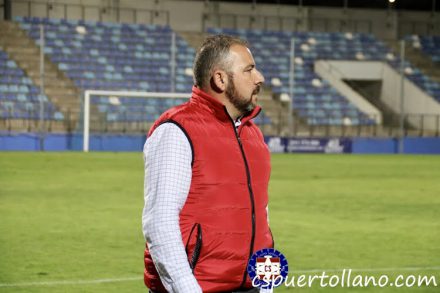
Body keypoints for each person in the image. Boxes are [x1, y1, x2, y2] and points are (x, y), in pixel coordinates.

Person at [142, 34, 274, 293]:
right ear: (220, 79)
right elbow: (160, 221)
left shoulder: (252, 134)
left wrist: (265, 285)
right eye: (249, 70)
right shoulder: (177, 130)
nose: (260, 78)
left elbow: (261, 215)